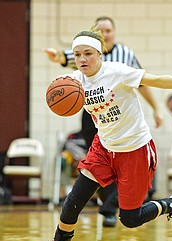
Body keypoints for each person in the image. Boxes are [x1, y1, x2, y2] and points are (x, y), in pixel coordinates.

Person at [35, 30, 172, 241]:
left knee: (130, 219)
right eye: (78, 54)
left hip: (135, 149)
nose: (82, 59)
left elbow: (153, 79)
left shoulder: (117, 72)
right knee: (73, 201)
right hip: (103, 147)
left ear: (99, 54)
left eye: (88, 53)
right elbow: (59, 89)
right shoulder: (75, 81)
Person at [45, 16, 163, 228]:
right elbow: (67, 60)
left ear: (113, 33)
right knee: (98, 168)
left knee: (121, 181)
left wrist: (156, 108)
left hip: (122, 119)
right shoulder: (84, 54)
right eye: (101, 30)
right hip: (95, 118)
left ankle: (113, 208)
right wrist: (57, 57)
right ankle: (108, 208)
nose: (105, 34)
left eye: (109, 30)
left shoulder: (124, 56)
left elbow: (143, 82)